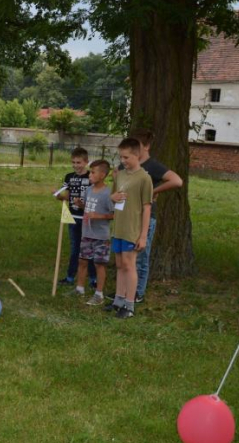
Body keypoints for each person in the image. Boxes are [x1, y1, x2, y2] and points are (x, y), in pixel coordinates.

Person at [127, 128, 183, 303]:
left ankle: (138, 293)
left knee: (140, 257)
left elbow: (177, 181)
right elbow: (116, 174)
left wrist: (153, 191)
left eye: (137, 146)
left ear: (147, 146)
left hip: (146, 218)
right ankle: (125, 292)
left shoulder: (153, 166)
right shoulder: (129, 163)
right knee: (127, 256)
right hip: (128, 217)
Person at [105, 138, 153, 319]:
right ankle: (118, 301)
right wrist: (113, 197)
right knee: (119, 264)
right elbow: (113, 195)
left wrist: (143, 236)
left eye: (126, 157)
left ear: (137, 155)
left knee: (129, 265)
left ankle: (129, 305)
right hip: (119, 227)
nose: (123, 160)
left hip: (132, 229)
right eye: (121, 157)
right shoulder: (120, 174)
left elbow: (147, 208)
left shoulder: (144, 178)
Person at [54, 147, 96, 287]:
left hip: (87, 218)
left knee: (89, 248)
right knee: (75, 248)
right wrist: (59, 196)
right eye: (73, 162)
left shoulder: (91, 177)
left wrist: (84, 205)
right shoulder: (69, 177)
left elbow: (96, 197)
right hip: (72, 217)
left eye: (79, 162)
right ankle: (70, 277)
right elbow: (66, 196)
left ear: (86, 162)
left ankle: (93, 279)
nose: (76, 165)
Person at [75, 159, 115, 305]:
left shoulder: (108, 194)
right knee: (82, 261)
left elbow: (114, 214)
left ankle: (99, 294)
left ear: (102, 175)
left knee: (99, 264)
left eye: (93, 172)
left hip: (101, 236)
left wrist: (99, 216)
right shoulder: (89, 190)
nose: (89, 175)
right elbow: (87, 207)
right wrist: (81, 205)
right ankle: (79, 289)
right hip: (87, 233)